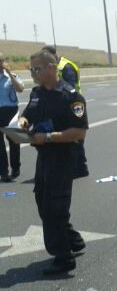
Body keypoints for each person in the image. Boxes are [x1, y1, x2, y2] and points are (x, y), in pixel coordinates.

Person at [17, 49, 87, 274]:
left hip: (63, 157)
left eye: (36, 69)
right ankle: (72, 239)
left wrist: (47, 137)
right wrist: (23, 120)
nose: (33, 73)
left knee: (55, 206)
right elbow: (28, 112)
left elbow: (79, 132)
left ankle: (63, 257)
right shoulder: (37, 93)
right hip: (44, 157)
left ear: (50, 68)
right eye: (31, 69)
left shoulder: (71, 96)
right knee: (42, 200)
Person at [42, 45, 88, 178]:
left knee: (75, 137)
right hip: (64, 106)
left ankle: (80, 168)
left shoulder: (65, 67)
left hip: (73, 105)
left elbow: (69, 89)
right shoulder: (54, 67)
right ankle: (76, 167)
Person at [0, 53, 24, 182]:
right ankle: (3, 171)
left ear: (4, 61)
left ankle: (15, 168)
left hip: (11, 112)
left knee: (14, 142)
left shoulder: (11, 76)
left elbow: (20, 89)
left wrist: (9, 73)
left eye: (0, 60)